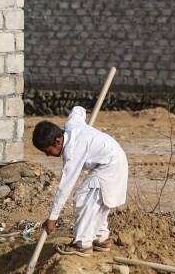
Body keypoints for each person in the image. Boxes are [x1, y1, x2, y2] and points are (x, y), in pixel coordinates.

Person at [31, 106, 129, 257]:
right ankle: (101, 238)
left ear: (57, 141)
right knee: (98, 202)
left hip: (111, 165)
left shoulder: (72, 154)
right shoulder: (71, 125)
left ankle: (82, 244)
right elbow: (78, 109)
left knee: (85, 197)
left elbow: (64, 189)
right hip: (113, 160)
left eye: (48, 151)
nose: (47, 155)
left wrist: (52, 218)